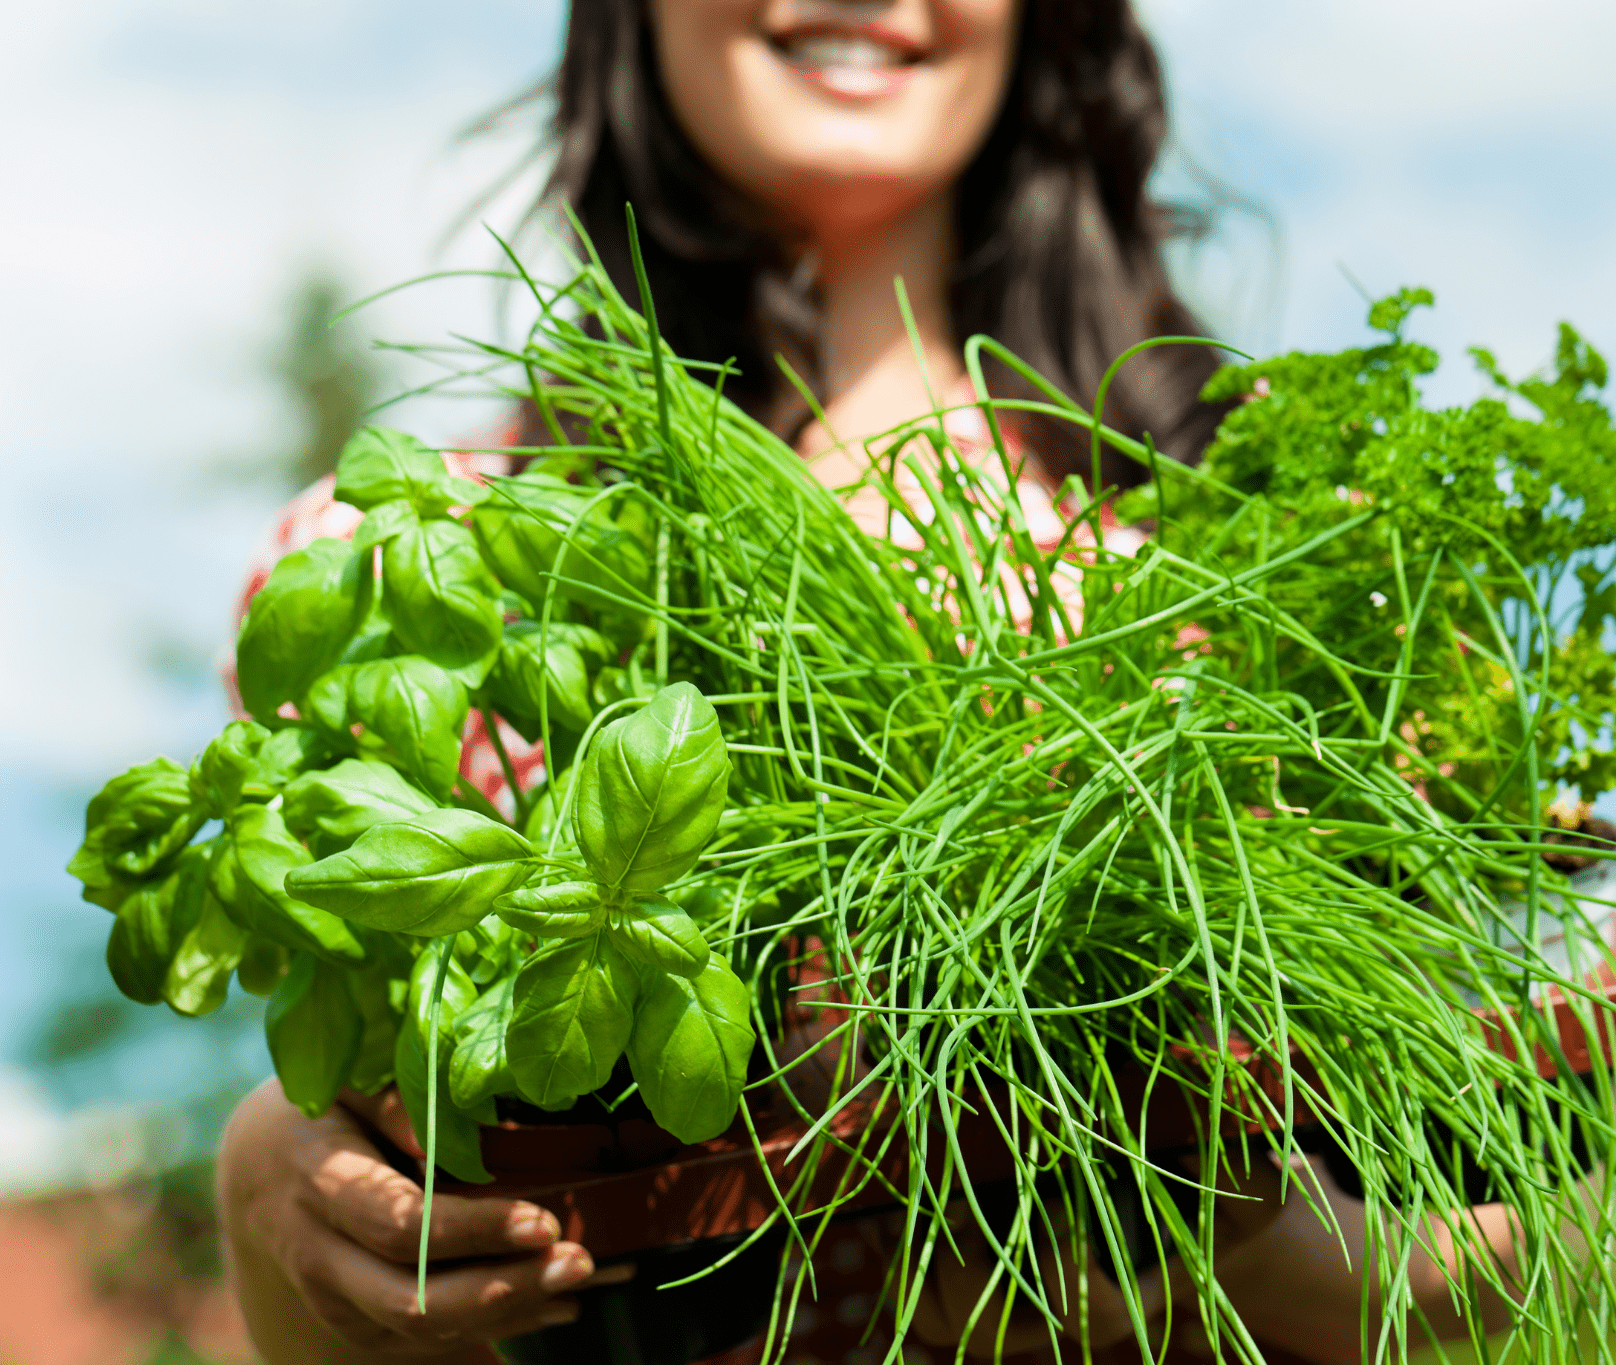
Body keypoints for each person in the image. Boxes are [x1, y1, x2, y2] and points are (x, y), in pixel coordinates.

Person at [215, 1, 1518, 1360]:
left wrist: (1260, 1264)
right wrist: (265, 1186)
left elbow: (1497, 1213)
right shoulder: (416, 573)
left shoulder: (1297, 550)